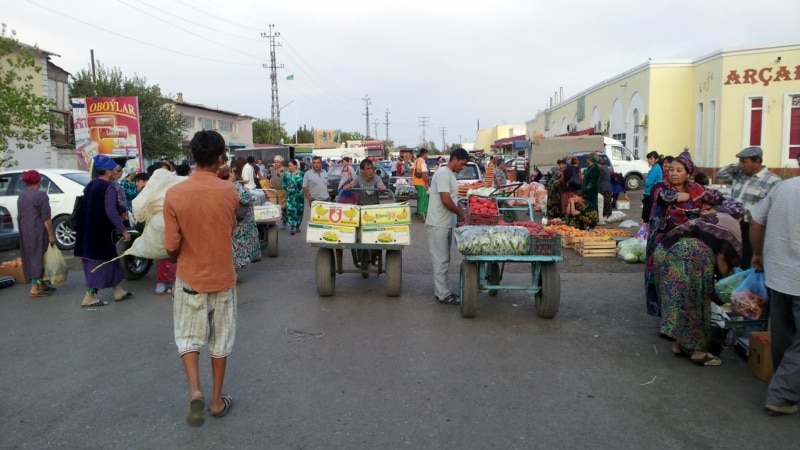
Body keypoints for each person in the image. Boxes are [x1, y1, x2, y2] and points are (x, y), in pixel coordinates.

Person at [163, 130, 239, 427]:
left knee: (187, 336)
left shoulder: (175, 194)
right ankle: (217, 401)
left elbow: (171, 245)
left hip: (189, 278)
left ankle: (196, 389)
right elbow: (229, 228)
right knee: (220, 341)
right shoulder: (229, 192)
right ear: (221, 159)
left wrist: (177, 257)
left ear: (192, 157)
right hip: (222, 277)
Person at [644, 153, 743, 366]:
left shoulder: (699, 192)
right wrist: (697, 203)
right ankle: (697, 351)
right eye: (671, 169)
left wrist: (713, 207)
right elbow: (666, 198)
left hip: (673, 250)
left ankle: (679, 344)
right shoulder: (662, 188)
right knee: (695, 301)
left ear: (689, 173)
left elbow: (731, 204)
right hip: (674, 249)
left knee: (679, 299)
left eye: (679, 170)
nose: (673, 173)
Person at [750, 176, 800, 416]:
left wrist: (757, 254)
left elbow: (756, 223)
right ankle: (781, 395)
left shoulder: (782, 187)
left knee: (783, 334)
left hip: (778, 274)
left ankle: (786, 383)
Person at [74, 154, 133, 307]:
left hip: (87, 230)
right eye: (114, 169)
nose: (116, 171)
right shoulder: (109, 187)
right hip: (100, 233)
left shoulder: (91, 184)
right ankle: (89, 296)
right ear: (107, 171)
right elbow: (111, 211)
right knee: (99, 264)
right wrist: (123, 230)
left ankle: (118, 290)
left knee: (110, 259)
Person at [714, 146, 782, 269]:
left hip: (751, 228)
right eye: (740, 161)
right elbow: (719, 175)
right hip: (732, 225)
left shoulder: (773, 181)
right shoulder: (739, 175)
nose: (741, 165)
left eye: (744, 162)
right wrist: (738, 164)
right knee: (727, 258)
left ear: (757, 162)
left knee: (747, 261)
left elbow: (776, 209)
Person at [426, 148, 468, 305]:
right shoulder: (443, 173)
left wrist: (461, 210)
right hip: (438, 223)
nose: (462, 168)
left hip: (444, 223)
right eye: (462, 164)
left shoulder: (449, 175)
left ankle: (442, 291)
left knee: (444, 259)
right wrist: (460, 213)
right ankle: (443, 294)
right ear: (455, 159)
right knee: (441, 260)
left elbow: (452, 198)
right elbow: (445, 199)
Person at [17, 170, 58, 298]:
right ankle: (35, 288)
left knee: (31, 256)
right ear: (38, 181)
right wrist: (51, 235)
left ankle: (42, 284)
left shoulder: (22, 195)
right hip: (38, 231)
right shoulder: (41, 196)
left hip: (25, 230)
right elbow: (46, 218)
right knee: (38, 257)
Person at [221, 163, 261, 271]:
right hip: (238, 222)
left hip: (230, 220)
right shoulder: (235, 186)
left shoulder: (221, 186)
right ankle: (235, 270)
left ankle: (234, 269)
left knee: (234, 246)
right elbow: (246, 199)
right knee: (238, 247)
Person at [282, 159, 305, 235]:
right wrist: (288, 189)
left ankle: (298, 225)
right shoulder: (286, 174)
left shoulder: (301, 174)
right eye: (289, 166)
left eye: (291, 165)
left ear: (295, 165)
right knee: (291, 211)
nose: (290, 167)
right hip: (291, 196)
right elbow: (283, 184)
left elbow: (305, 184)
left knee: (299, 211)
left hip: (299, 196)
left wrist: (302, 190)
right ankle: (292, 226)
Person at [642, 151, 662, 222]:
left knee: (647, 216)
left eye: (651, 158)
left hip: (650, 194)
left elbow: (647, 183)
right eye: (648, 159)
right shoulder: (654, 168)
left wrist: (645, 181)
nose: (649, 160)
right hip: (650, 193)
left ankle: (646, 231)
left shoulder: (656, 168)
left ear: (656, 159)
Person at [268, 155, 288, 229]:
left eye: (277, 162)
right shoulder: (272, 169)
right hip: (274, 191)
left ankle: (284, 221)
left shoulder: (286, 170)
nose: (276, 163)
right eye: (275, 162)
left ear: (281, 162)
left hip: (283, 190)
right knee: (274, 206)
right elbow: (268, 178)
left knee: (283, 207)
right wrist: (269, 183)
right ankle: (273, 221)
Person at [412, 148, 430, 222]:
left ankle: (420, 214)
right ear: (424, 154)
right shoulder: (423, 162)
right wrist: (426, 184)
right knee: (423, 200)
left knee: (420, 199)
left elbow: (411, 170)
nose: (427, 156)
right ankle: (422, 214)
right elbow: (424, 174)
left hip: (415, 183)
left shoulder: (416, 161)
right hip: (421, 183)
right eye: (427, 154)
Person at [597, 155, 612, 223]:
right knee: (607, 202)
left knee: (604, 202)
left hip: (603, 188)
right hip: (607, 187)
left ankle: (605, 215)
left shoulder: (601, 169)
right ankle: (608, 216)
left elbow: (597, 178)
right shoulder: (606, 168)